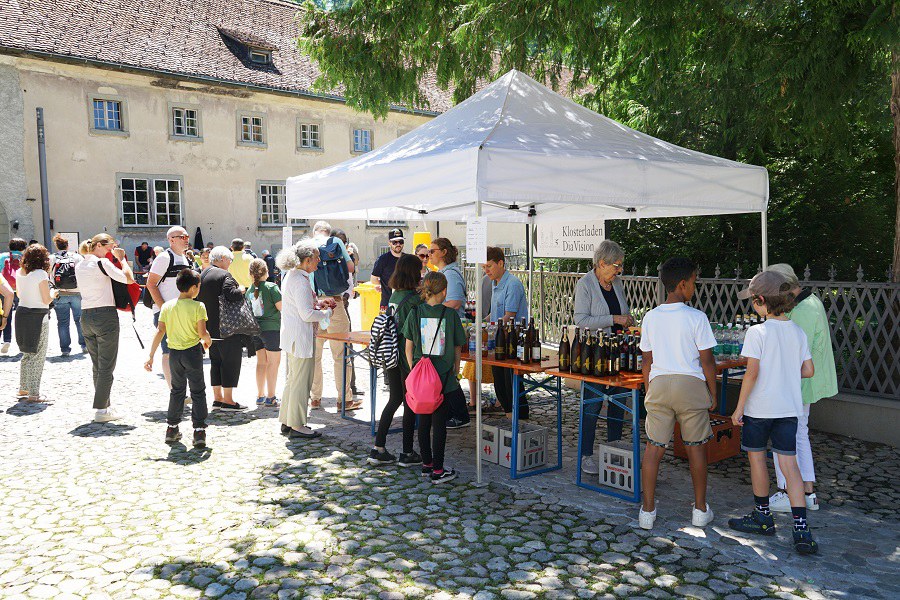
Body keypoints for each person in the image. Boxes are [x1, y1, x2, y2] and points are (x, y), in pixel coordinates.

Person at [728, 270, 818, 555]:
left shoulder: (757, 332)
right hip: (788, 409)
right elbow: (808, 370)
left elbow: (752, 373)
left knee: (757, 460)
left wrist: (739, 408)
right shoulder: (797, 331)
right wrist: (785, 372)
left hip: (760, 409)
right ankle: (801, 529)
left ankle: (763, 516)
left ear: (760, 301)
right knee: (790, 466)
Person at [637, 257, 717, 531]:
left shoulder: (650, 317)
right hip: (690, 386)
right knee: (696, 449)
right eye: (694, 281)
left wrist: (649, 390)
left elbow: (647, 360)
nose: (695, 286)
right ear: (683, 284)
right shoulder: (697, 317)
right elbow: (707, 361)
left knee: (653, 449)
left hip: (659, 384)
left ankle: (647, 511)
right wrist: (713, 393)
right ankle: (700, 510)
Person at [761, 264, 836, 512]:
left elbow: (793, 353)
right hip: (803, 381)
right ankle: (807, 492)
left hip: (798, 382)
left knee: (785, 437)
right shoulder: (810, 302)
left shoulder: (803, 310)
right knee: (799, 434)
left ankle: (787, 491)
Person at [573, 240, 635, 473]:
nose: (619, 270)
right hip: (595, 354)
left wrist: (627, 319)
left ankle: (614, 451)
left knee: (619, 403)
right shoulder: (585, 284)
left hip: (618, 352)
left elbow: (622, 310)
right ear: (601, 263)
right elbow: (581, 320)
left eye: (620, 265)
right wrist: (614, 319)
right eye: (616, 265)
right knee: (592, 405)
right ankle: (586, 455)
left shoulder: (616, 283)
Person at [401, 271, 465, 484]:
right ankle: (438, 469)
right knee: (439, 424)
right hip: (443, 376)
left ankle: (427, 464)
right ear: (444, 291)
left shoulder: (415, 312)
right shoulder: (450, 315)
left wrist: (414, 369)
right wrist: (456, 370)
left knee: (423, 421)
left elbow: (408, 346)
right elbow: (457, 346)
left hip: (421, 376)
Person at [144, 269, 212, 447]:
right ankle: (199, 431)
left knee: (177, 391)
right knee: (198, 391)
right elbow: (202, 333)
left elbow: (160, 331)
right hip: (192, 353)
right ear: (194, 288)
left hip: (174, 354)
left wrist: (151, 356)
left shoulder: (167, 306)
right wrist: (208, 341)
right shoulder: (198, 306)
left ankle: (172, 428)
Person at [368, 254, 423, 466]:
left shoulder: (395, 294)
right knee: (409, 403)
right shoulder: (413, 300)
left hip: (391, 353)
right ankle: (407, 452)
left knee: (395, 399)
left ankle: (378, 447)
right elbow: (415, 332)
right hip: (406, 356)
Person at [75, 233, 135, 422]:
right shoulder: (102, 263)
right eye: (110, 246)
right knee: (107, 366)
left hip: (86, 315)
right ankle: (101, 410)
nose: (112, 249)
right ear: (99, 245)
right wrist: (122, 259)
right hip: (105, 315)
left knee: (98, 365)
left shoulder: (80, 264)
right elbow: (129, 279)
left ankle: (105, 405)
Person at [277, 241, 334, 439]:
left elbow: (300, 306)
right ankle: (297, 425)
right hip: (300, 338)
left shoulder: (293, 276)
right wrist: (326, 313)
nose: (319, 261)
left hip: (294, 336)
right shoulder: (300, 280)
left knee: (293, 381)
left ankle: (288, 420)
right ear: (308, 260)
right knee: (301, 383)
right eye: (317, 258)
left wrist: (318, 304)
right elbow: (306, 314)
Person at [309, 221, 359, 411]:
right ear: (328, 233)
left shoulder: (306, 245)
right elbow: (350, 268)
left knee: (315, 355)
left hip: (313, 304)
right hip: (334, 303)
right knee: (340, 354)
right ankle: (344, 400)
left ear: (314, 232)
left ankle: (315, 398)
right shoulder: (335, 242)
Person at [485, 246, 531, 422]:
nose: (486, 270)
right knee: (499, 382)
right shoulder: (495, 283)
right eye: (484, 267)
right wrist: (481, 322)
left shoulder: (512, 284)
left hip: (512, 340)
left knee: (510, 383)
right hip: (498, 339)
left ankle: (519, 418)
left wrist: (489, 326)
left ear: (500, 263)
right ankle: (510, 416)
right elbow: (495, 313)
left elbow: (508, 316)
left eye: (489, 266)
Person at [198, 246, 247, 410]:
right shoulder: (224, 275)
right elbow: (230, 294)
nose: (230, 263)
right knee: (230, 362)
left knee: (216, 363)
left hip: (209, 328)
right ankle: (228, 400)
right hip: (227, 328)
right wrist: (241, 289)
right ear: (223, 259)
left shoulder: (204, 273)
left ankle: (217, 398)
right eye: (230, 260)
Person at [146, 226, 193, 387]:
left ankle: (181, 389)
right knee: (168, 352)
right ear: (171, 240)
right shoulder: (164, 258)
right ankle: (175, 391)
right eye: (182, 237)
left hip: (182, 313)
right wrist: (164, 309)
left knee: (182, 352)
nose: (186, 239)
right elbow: (151, 284)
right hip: (166, 312)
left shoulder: (185, 258)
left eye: (187, 236)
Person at [14, 244, 57, 402]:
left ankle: (23, 388)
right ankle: (34, 394)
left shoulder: (20, 272)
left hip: (22, 313)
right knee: (38, 355)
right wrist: (54, 293)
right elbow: (46, 299)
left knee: (27, 353)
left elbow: (19, 294)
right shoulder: (41, 274)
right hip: (38, 316)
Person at [248, 258, 283, 407]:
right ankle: (271, 396)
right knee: (273, 363)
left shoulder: (250, 290)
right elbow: (281, 307)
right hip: (272, 328)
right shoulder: (271, 287)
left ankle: (260, 395)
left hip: (256, 329)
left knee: (261, 363)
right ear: (266, 272)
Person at [462, 273, 496, 412]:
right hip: (485, 329)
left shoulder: (487, 280)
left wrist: (480, 322)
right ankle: (477, 401)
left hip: (487, 331)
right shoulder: (487, 279)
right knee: (474, 366)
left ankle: (475, 402)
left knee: (478, 365)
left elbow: (482, 308)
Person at [332, 229, 361, 396]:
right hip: (332, 304)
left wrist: (346, 296)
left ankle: (351, 386)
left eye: (343, 241)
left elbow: (350, 282)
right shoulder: (329, 258)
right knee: (342, 349)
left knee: (346, 347)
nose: (341, 244)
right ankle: (316, 395)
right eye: (339, 241)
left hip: (342, 303)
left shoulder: (347, 257)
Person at [49, 233, 86, 356]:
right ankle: (84, 345)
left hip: (59, 294)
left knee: (63, 322)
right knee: (79, 320)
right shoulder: (77, 257)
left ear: (56, 246)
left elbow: (48, 276)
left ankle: (65, 349)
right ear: (68, 245)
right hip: (76, 292)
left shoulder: (51, 258)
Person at [0, 237, 28, 353]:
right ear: (23, 248)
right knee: (22, 317)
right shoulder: (26, 258)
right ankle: (23, 342)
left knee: (6, 315)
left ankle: (6, 340)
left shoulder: (2, 257)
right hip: (22, 290)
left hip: (5, 290)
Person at [428, 238, 466, 319]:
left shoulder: (450, 274)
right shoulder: (444, 273)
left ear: (443, 252)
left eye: (432, 251)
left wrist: (431, 311)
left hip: (450, 323)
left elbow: (455, 303)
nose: (429, 254)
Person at [371, 228, 406, 309]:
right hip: (387, 303)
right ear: (389, 243)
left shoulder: (407, 259)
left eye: (401, 241)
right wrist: (384, 286)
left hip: (404, 302)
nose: (398, 244)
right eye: (395, 242)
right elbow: (373, 279)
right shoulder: (383, 259)